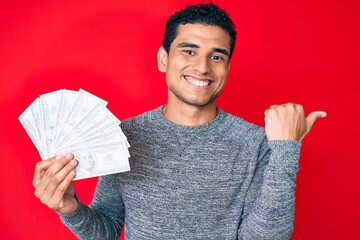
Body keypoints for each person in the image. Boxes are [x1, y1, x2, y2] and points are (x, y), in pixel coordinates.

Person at [32, 3, 326, 240]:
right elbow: (106, 229)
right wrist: (70, 208)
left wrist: (286, 150)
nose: (202, 67)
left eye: (217, 56)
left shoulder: (256, 142)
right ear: (164, 59)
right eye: (189, 51)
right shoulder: (125, 135)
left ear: (227, 67)